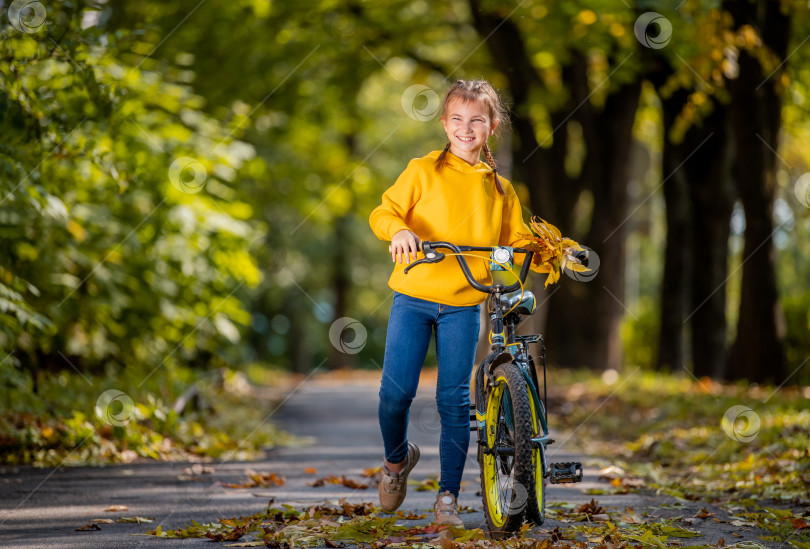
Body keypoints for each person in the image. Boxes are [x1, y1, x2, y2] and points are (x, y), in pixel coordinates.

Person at [369, 79, 537, 526]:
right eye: (457, 120)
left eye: (476, 120)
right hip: (413, 297)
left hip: (464, 305)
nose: (466, 128)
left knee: (454, 402)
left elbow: (518, 241)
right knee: (394, 395)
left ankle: (447, 498)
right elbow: (383, 212)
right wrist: (400, 231)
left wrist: (548, 247)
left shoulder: (500, 190)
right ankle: (395, 462)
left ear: (491, 126)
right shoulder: (422, 170)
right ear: (444, 124)